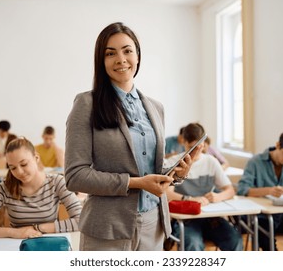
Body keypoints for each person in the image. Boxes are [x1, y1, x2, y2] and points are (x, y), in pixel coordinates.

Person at [64, 22, 196, 251]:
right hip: (107, 228)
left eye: (127, 50)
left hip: (153, 223)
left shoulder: (156, 107)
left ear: (138, 55)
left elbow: (148, 169)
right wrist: (135, 183)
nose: (121, 59)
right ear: (101, 60)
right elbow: (75, 176)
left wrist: (175, 175)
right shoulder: (87, 104)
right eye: (110, 53)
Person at [0, 137, 82, 239]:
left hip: (49, 244)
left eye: (23, 164)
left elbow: (82, 220)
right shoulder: (5, 188)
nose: (19, 172)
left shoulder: (57, 182)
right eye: (13, 168)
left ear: (36, 158)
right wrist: (15, 233)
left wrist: (38, 228)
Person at [165, 123, 243, 251]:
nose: (196, 152)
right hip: (186, 220)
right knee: (193, 244)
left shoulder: (211, 161)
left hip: (210, 218)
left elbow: (230, 190)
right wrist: (189, 199)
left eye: (199, 147)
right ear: (183, 142)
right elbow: (167, 192)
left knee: (234, 240)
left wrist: (217, 196)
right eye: (192, 148)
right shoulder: (173, 162)